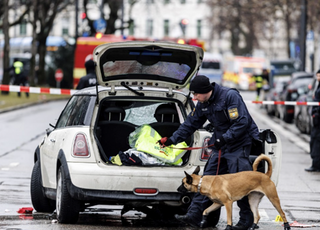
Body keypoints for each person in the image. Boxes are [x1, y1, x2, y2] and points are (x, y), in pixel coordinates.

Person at [158, 75, 260, 229]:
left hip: (238, 144)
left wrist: (224, 139)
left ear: (206, 91)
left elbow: (241, 122)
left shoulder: (229, 96)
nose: (195, 97)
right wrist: (172, 140)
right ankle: (193, 215)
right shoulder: (203, 103)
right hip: (221, 146)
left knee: (240, 184)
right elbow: (190, 124)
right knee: (204, 181)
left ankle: (246, 220)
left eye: (196, 94)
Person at [305, 70, 320, 172]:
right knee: (314, 141)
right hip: (317, 118)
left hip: (318, 119)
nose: (317, 77)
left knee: (316, 141)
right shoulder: (318, 86)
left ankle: (316, 165)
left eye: (319, 75)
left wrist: (316, 113)